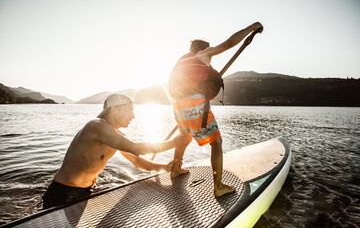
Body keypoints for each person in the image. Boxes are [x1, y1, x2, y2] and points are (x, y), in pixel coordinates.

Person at [43, 94, 190, 209]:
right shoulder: (96, 126)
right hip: (62, 194)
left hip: (87, 190)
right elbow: (136, 148)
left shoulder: (116, 135)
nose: (133, 116)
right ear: (114, 110)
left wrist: (163, 167)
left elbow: (137, 160)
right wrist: (173, 143)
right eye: (129, 111)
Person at [168, 22, 263, 197]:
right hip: (195, 104)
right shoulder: (203, 53)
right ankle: (218, 187)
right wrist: (252, 27)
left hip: (177, 104)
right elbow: (228, 44)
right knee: (216, 143)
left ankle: (175, 169)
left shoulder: (183, 60)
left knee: (184, 136)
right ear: (204, 48)